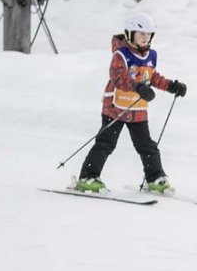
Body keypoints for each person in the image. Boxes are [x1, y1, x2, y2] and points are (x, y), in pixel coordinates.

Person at [73, 12, 188, 194]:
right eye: (141, 34)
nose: (145, 38)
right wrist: (139, 88)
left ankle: (155, 178)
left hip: (137, 110)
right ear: (129, 34)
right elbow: (118, 77)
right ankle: (88, 177)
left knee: (147, 146)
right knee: (106, 143)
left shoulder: (151, 55)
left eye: (148, 34)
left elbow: (153, 76)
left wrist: (171, 86)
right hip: (115, 108)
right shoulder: (121, 54)